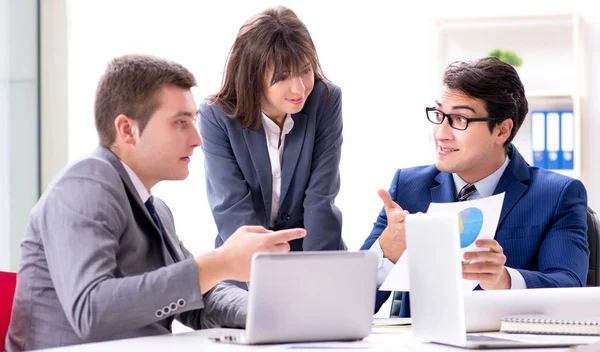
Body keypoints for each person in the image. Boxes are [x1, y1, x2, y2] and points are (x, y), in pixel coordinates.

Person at [6, 54, 306, 351]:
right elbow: (91, 310)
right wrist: (219, 263)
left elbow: (199, 298)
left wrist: (278, 311)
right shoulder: (84, 184)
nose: (197, 138)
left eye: (193, 121)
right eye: (180, 122)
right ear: (127, 130)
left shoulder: (156, 209)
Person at [360, 57, 589, 317]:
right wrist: (386, 254)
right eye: (439, 115)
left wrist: (505, 281)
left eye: (459, 119)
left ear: (502, 130)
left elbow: (569, 289)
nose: (441, 133)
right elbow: (350, 303)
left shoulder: (557, 195)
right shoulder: (408, 188)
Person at [199, 6, 346, 256]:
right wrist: (271, 277)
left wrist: (320, 274)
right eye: (283, 77)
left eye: (305, 70)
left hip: (313, 253)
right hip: (246, 263)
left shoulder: (325, 99)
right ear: (252, 76)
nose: (299, 88)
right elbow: (232, 209)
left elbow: (321, 196)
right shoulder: (216, 116)